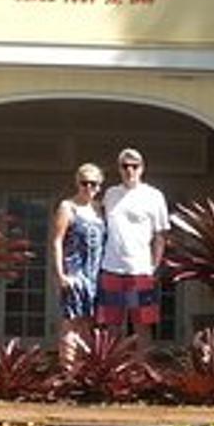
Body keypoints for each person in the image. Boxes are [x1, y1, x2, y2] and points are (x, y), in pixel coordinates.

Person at [96, 146, 169, 335]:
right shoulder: (110, 194)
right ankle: (113, 366)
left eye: (134, 166)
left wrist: (154, 266)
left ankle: (141, 364)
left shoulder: (154, 196)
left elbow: (160, 235)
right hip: (111, 268)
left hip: (140, 270)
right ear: (119, 168)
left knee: (142, 324)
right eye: (125, 166)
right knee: (111, 325)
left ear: (142, 168)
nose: (130, 170)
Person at [49, 163, 107, 357]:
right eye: (85, 183)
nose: (89, 188)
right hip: (75, 273)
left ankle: (85, 374)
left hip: (96, 276)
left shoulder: (100, 209)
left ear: (100, 186)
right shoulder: (68, 207)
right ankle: (68, 374)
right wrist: (61, 274)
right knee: (71, 324)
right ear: (78, 183)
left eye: (94, 184)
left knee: (89, 325)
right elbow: (57, 241)